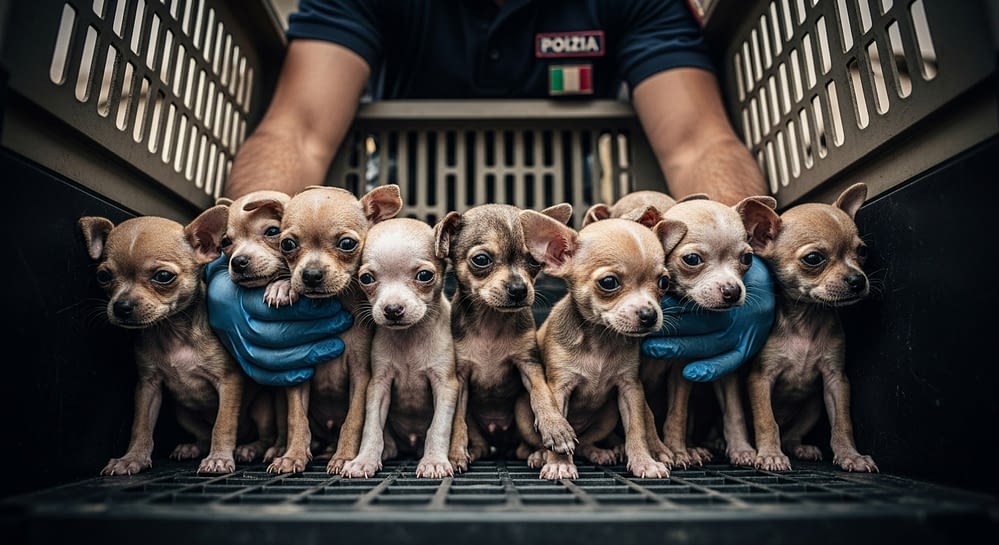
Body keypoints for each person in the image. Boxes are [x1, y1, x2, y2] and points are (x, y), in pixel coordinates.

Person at [206, 0, 775, 387]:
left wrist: (736, 260)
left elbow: (697, 141)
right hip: (402, 273)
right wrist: (252, 254)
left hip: (574, 275)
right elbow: (297, 129)